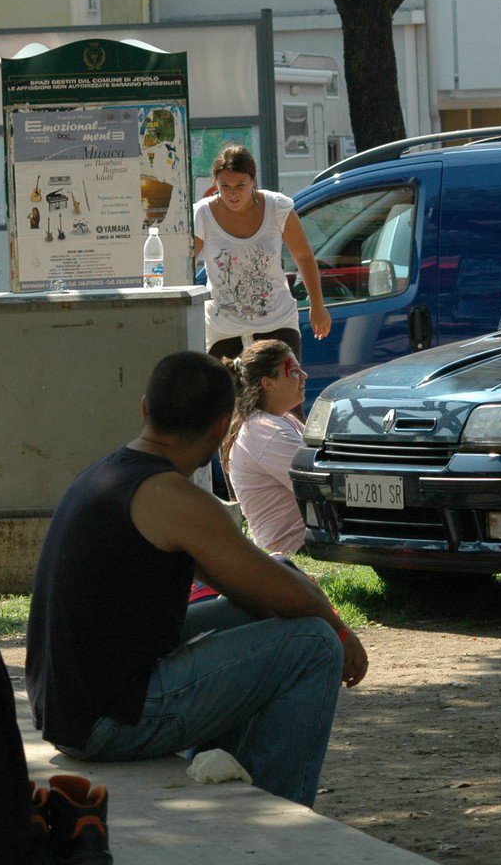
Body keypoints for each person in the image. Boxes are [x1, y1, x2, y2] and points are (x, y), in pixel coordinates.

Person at [25, 351, 368, 807]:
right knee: (314, 645)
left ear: (146, 407)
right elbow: (288, 599)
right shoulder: (173, 498)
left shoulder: (107, 472)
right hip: (106, 723)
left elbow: (266, 582)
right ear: (221, 425)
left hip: (72, 706)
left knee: (273, 593)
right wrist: (339, 628)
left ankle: (229, 773)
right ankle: (281, 814)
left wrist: (307, 598)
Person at [193, 145, 332, 362]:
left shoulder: (277, 207)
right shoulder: (202, 214)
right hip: (223, 328)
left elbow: (304, 257)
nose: (232, 193)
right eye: (224, 186)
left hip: (277, 322)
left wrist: (317, 305)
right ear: (215, 184)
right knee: (227, 396)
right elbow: (185, 267)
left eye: (240, 185)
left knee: (284, 393)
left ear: (253, 180)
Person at [224, 339, 308, 555]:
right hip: (296, 547)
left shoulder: (280, 421)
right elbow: (319, 486)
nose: (304, 377)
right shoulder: (266, 431)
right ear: (268, 382)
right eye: (295, 371)